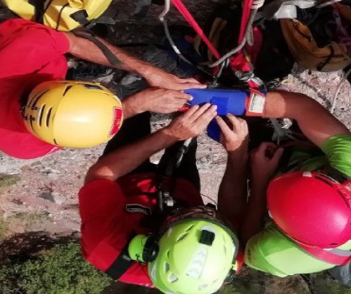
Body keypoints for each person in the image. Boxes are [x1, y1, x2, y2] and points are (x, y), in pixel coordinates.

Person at [0, 18, 204, 159]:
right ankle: (85, 71)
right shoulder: (29, 144)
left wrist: (148, 71)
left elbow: (76, 39)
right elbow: (90, 127)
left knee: (70, 31)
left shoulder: (22, 48)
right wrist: (136, 105)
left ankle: (86, 68)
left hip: (2, 50)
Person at [78, 103, 250, 294]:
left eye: (189, 215)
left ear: (147, 244)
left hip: (124, 179)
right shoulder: (223, 257)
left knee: (132, 114)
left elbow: (100, 176)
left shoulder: (105, 247)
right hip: (182, 189)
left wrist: (170, 134)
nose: (208, 211)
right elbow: (233, 212)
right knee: (190, 123)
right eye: (213, 218)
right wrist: (237, 152)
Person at [240, 90, 351, 278]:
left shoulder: (283, 256)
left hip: (288, 174)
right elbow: (303, 108)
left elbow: (246, 242)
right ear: (343, 187)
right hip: (314, 157)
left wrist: (258, 179)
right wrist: (235, 100)